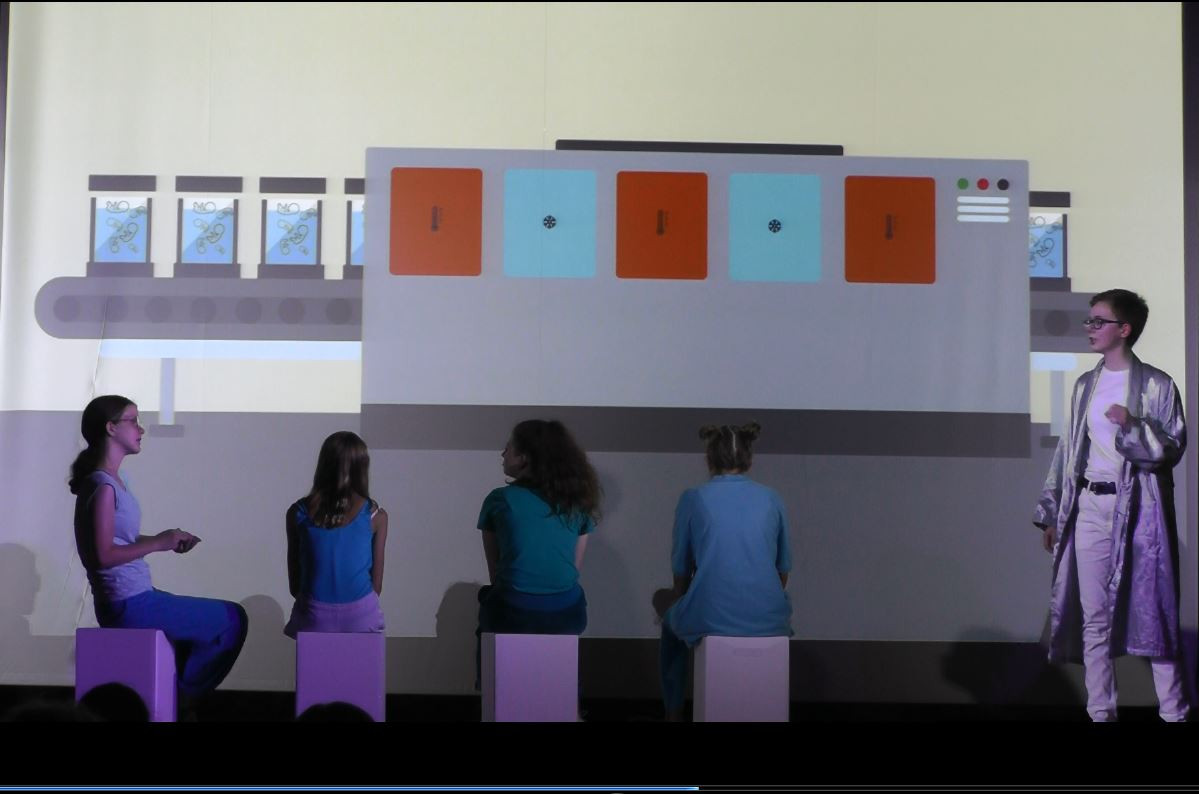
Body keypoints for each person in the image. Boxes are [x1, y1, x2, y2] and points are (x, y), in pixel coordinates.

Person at [1033, 289, 1189, 722]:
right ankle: (1100, 712)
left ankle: (1174, 712)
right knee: (1094, 618)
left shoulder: (1157, 384)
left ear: (1124, 329)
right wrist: (1054, 512)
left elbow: (1171, 448)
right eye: (1090, 320)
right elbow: (1069, 451)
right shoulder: (1086, 384)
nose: (1090, 328)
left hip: (1138, 513)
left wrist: (1133, 425)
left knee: (1154, 615)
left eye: (1098, 321)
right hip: (1089, 507)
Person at [70, 395, 248, 707]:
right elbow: (103, 556)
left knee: (198, 634)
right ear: (111, 428)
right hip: (128, 602)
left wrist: (166, 539)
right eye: (133, 421)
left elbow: (119, 539)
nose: (141, 429)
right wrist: (158, 543)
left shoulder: (113, 481)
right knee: (231, 619)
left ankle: (174, 696)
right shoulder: (103, 486)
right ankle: (181, 698)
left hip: (133, 595)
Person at [653, 422, 793, 721]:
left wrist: (679, 597)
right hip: (770, 616)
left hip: (712, 615)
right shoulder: (772, 498)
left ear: (709, 459)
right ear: (749, 459)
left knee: (664, 608)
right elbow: (783, 569)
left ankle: (673, 712)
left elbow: (680, 569)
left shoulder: (694, 497)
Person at [475, 420, 600, 683]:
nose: (502, 453)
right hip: (566, 612)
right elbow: (572, 570)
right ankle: (567, 697)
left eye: (508, 447)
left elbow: (497, 573)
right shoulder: (578, 503)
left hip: (514, 611)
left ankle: (489, 689)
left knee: (489, 602)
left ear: (524, 457)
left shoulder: (500, 500)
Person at [285, 431, 388, 637]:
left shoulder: (297, 513)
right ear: (362, 468)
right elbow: (376, 586)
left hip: (314, 616)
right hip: (362, 616)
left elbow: (295, 585)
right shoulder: (376, 516)